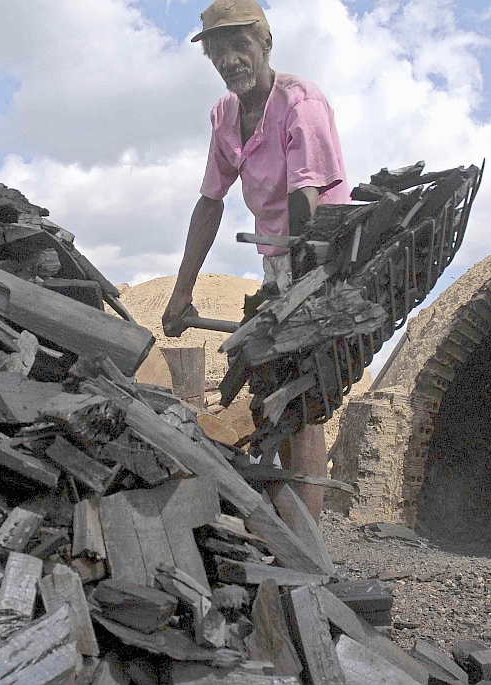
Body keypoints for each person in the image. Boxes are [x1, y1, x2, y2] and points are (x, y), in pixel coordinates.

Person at [162, 0, 350, 522]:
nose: (229, 60)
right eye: (218, 51)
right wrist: (182, 292)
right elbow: (210, 202)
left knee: (304, 387)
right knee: (275, 384)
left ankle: (307, 538)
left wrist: (296, 292)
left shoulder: (300, 103)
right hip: (277, 257)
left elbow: (304, 199)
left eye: (239, 45)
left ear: (266, 42)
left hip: (322, 256)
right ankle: (287, 522)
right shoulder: (225, 114)